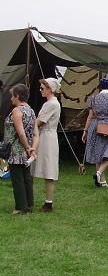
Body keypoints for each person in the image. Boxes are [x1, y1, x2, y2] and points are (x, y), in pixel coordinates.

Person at [4, 83, 39, 214]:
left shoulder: (17, 111)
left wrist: (27, 147)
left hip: (17, 149)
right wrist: (32, 149)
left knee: (18, 179)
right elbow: (36, 133)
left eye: (12, 96)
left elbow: (20, 132)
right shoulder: (31, 111)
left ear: (17, 96)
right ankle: (29, 204)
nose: (11, 99)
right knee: (26, 178)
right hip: (28, 150)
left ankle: (21, 207)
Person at [82, 77, 108, 187]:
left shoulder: (94, 98)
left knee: (97, 153)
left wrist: (85, 131)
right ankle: (99, 173)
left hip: (94, 126)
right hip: (107, 126)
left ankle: (102, 181)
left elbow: (90, 116)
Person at [32, 78, 62, 212]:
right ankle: (31, 199)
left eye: (42, 88)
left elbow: (39, 122)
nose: (40, 90)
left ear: (50, 89)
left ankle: (48, 203)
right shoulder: (51, 103)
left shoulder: (51, 104)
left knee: (49, 169)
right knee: (37, 168)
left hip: (47, 137)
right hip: (47, 135)